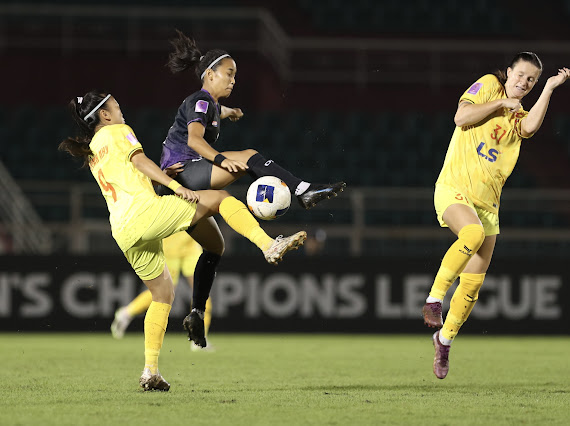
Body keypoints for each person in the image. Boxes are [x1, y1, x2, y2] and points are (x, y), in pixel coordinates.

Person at [59, 90, 307, 391]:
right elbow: (139, 162)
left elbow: (128, 177)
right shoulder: (118, 130)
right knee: (220, 198)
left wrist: (163, 173)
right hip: (144, 213)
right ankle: (269, 245)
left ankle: (150, 371)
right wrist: (174, 184)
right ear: (105, 115)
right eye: (116, 107)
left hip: (122, 230)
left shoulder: (95, 148)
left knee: (163, 292)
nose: (121, 111)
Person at [156, 30, 346, 350]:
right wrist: (220, 159)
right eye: (228, 74)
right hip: (184, 174)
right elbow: (193, 141)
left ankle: (196, 313)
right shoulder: (201, 100)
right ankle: (302, 190)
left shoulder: (210, 105)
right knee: (248, 157)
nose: (233, 80)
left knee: (215, 249)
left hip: (180, 192)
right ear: (210, 74)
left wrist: (229, 113)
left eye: (236, 76)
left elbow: (212, 116)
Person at [421, 52, 570, 379]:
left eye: (530, 80)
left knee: (473, 285)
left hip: (488, 205)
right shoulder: (490, 86)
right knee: (471, 236)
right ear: (508, 72)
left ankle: (444, 340)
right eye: (521, 75)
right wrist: (501, 104)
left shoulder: (519, 111)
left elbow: (529, 129)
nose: (524, 82)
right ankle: (434, 299)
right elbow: (461, 118)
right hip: (454, 188)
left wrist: (549, 88)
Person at [111, 232, 214, 349]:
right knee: (164, 292)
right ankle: (127, 312)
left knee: (202, 288)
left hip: (191, 244)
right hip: (170, 245)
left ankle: (199, 339)